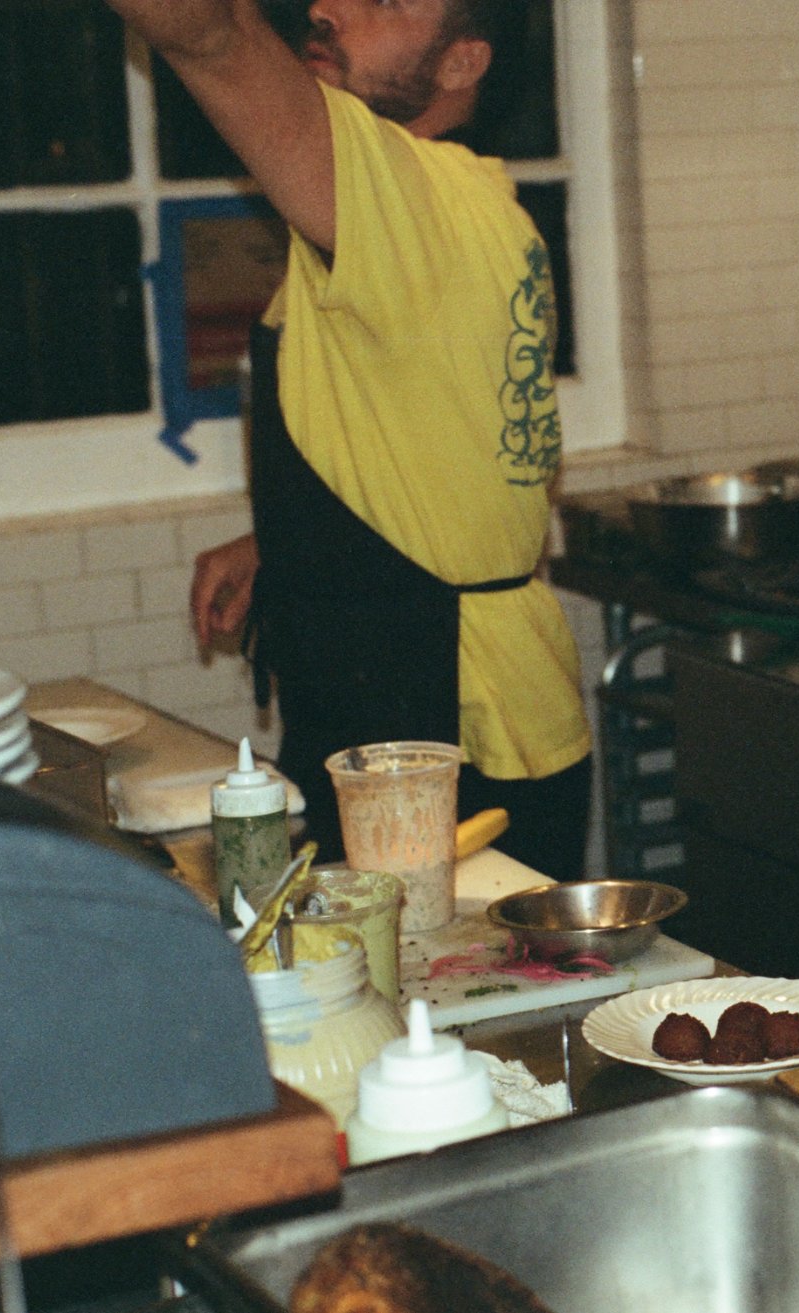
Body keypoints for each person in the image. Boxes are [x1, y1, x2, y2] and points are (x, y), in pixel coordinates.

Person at [113, 0, 593, 879]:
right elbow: (446, 438)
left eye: (385, 2)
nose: (327, 8)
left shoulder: (403, 194)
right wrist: (298, 542)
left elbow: (212, 32)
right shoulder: (473, 205)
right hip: (439, 695)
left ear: (461, 65)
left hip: (443, 718)